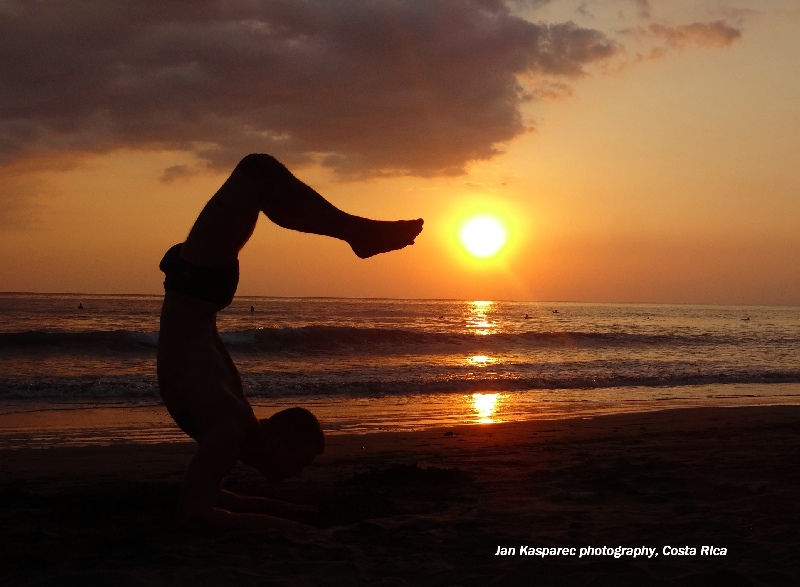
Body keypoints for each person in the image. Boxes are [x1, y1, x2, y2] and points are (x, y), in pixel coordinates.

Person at [157, 154, 423, 530]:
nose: (299, 474)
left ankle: (356, 233)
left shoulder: (229, 434)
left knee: (259, 175)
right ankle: (357, 233)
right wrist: (290, 526)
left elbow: (202, 502)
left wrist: (279, 510)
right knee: (257, 172)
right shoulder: (231, 430)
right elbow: (197, 511)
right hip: (194, 289)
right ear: (282, 440)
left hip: (196, 291)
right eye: (301, 461)